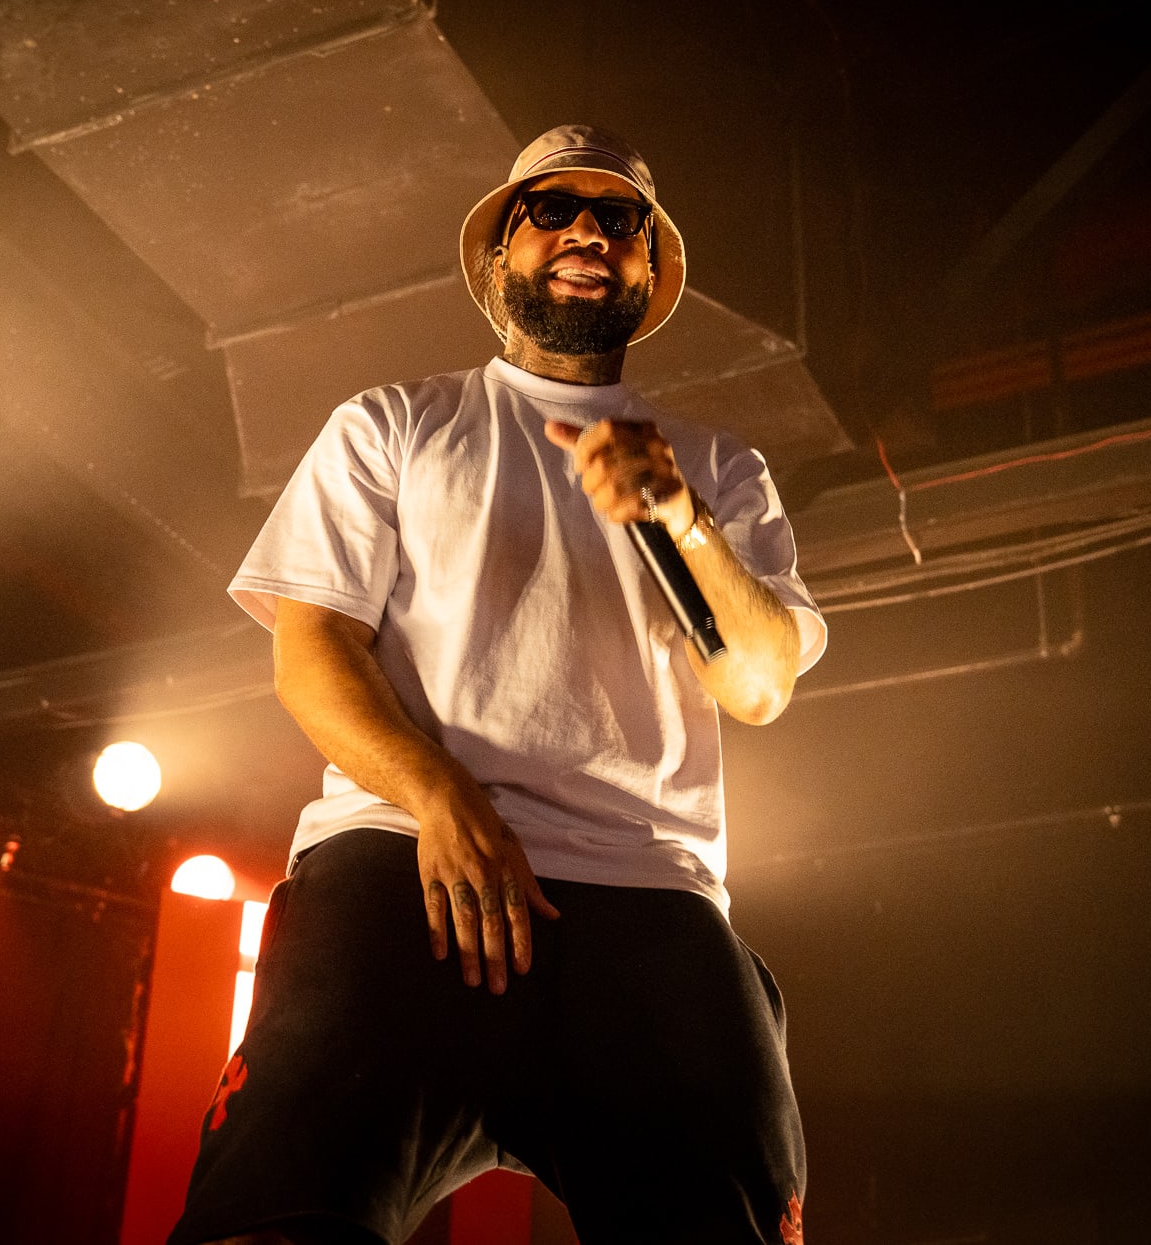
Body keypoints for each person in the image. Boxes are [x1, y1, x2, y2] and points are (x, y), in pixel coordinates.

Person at [167, 125, 828, 1245]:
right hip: (405, 861)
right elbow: (310, 649)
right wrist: (442, 801)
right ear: (496, 261)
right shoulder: (393, 424)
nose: (585, 231)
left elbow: (759, 684)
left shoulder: (715, 469)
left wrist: (673, 511)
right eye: (550, 209)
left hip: (648, 891)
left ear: (648, 269)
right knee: (272, 1215)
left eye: (618, 218)